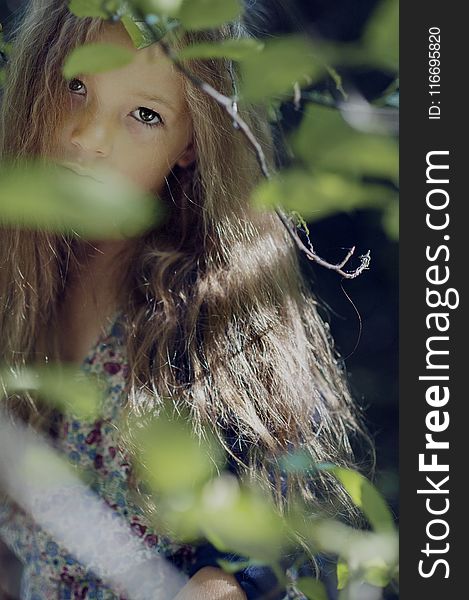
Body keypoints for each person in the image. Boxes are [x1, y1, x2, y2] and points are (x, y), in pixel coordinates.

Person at [0, 0, 373, 598]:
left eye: (144, 114)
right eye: (75, 86)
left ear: (190, 144)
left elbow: (272, 556)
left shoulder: (216, 317)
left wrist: (223, 582)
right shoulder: (15, 291)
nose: (88, 137)